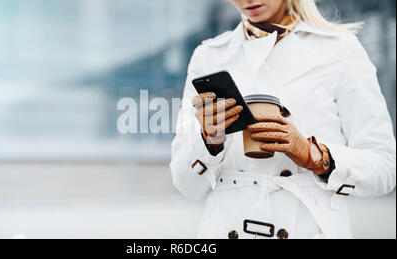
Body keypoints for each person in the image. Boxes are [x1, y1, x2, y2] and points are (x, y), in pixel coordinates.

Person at [170, 0, 396, 239]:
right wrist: (209, 142)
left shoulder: (341, 51)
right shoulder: (209, 56)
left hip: (306, 228)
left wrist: (314, 156)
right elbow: (186, 186)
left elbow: (385, 168)